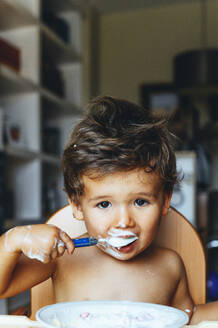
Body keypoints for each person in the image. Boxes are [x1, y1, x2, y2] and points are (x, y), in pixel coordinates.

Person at [0, 96, 217, 324]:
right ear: (77, 205)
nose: (123, 221)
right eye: (104, 204)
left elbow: (189, 318)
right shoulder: (64, 258)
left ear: (165, 201)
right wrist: (13, 240)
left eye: (140, 202)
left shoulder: (170, 265)